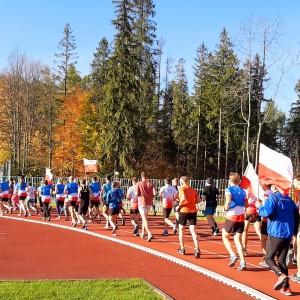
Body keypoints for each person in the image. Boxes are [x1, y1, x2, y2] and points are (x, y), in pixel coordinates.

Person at [256, 185, 299, 296]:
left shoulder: (273, 198)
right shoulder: (289, 199)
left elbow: (266, 213)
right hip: (287, 233)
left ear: (275, 187)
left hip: (276, 232)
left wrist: (259, 206)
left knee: (269, 257)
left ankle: (280, 275)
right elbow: (296, 216)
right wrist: (294, 231)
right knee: (281, 260)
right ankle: (287, 288)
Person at [222, 172, 247, 271]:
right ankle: (243, 261)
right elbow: (247, 205)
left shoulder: (229, 190)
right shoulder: (243, 191)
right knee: (238, 239)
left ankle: (232, 255)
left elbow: (228, 200)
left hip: (232, 216)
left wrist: (225, 208)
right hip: (241, 217)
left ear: (230, 180)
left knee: (225, 236)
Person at [176, 176, 201, 258]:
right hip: (193, 211)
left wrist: (179, 205)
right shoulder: (193, 190)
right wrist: (192, 202)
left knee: (181, 229)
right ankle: (197, 248)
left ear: (181, 182)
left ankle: (182, 248)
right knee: (193, 230)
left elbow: (183, 198)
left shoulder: (182, 189)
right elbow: (199, 200)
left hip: (184, 211)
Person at [240, 176, 262, 257]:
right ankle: (266, 249)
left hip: (248, 210)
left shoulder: (247, 189)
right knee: (259, 231)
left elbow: (246, 199)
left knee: (245, 230)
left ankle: (244, 248)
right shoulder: (257, 189)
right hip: (256, 210)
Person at [135, 172, 156, 242]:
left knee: (144, 218)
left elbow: (136, 193)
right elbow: (155, 193)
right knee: (145, 218)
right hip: (149, 203)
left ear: (141, 176)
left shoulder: (138, 183)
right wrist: (151, 197)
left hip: (142, 202)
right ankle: (143, 233)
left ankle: (149, 232)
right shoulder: (151, 184)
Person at [259, 183, 273, 267]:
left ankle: (266, 257)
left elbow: (264, 206)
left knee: (263, 239)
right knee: (270, 238)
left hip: (266, 219)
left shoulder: (265, 194)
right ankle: (269, 257)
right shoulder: (274, 193)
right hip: (272, 219)